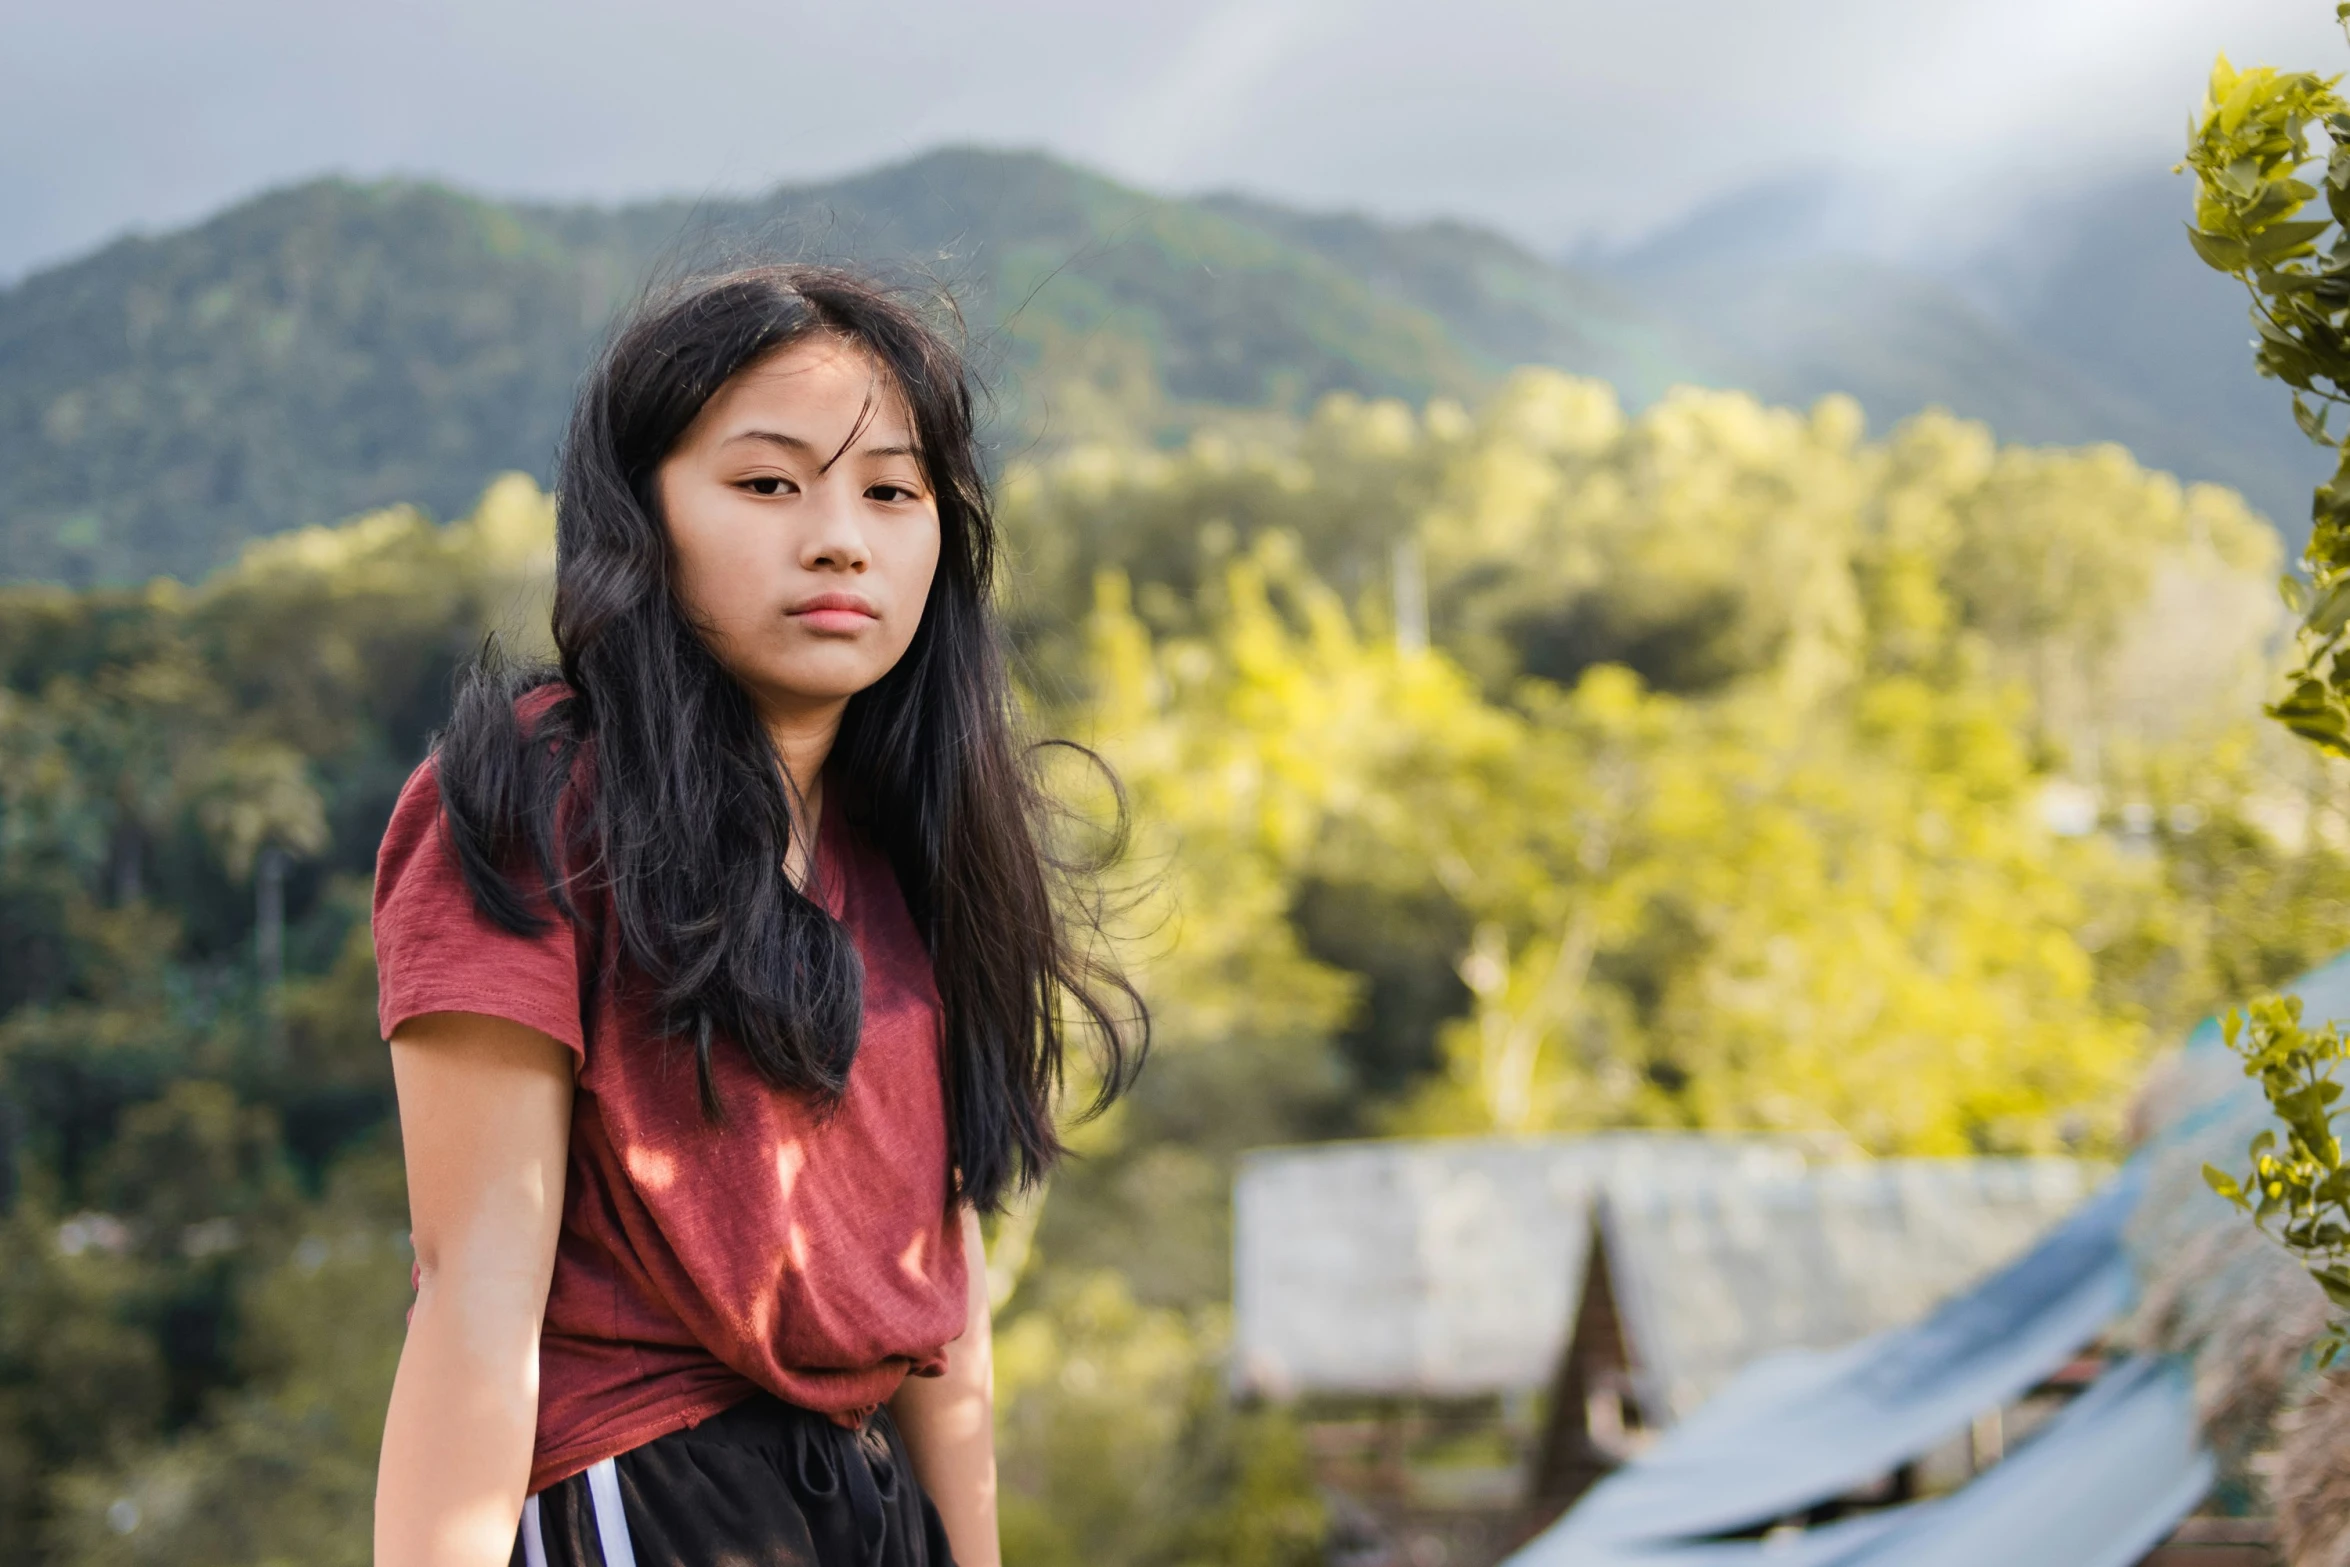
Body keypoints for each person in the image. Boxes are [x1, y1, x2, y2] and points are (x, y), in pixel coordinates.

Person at [368, 264, 1143, 1567]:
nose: (840, 536)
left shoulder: (913, 841)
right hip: (644, 1484)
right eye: (769, 483)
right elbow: (472, 1290)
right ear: (641, 514)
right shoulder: (541, 790)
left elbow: (933, 1298)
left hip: (866, 1500)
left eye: (890, 492)